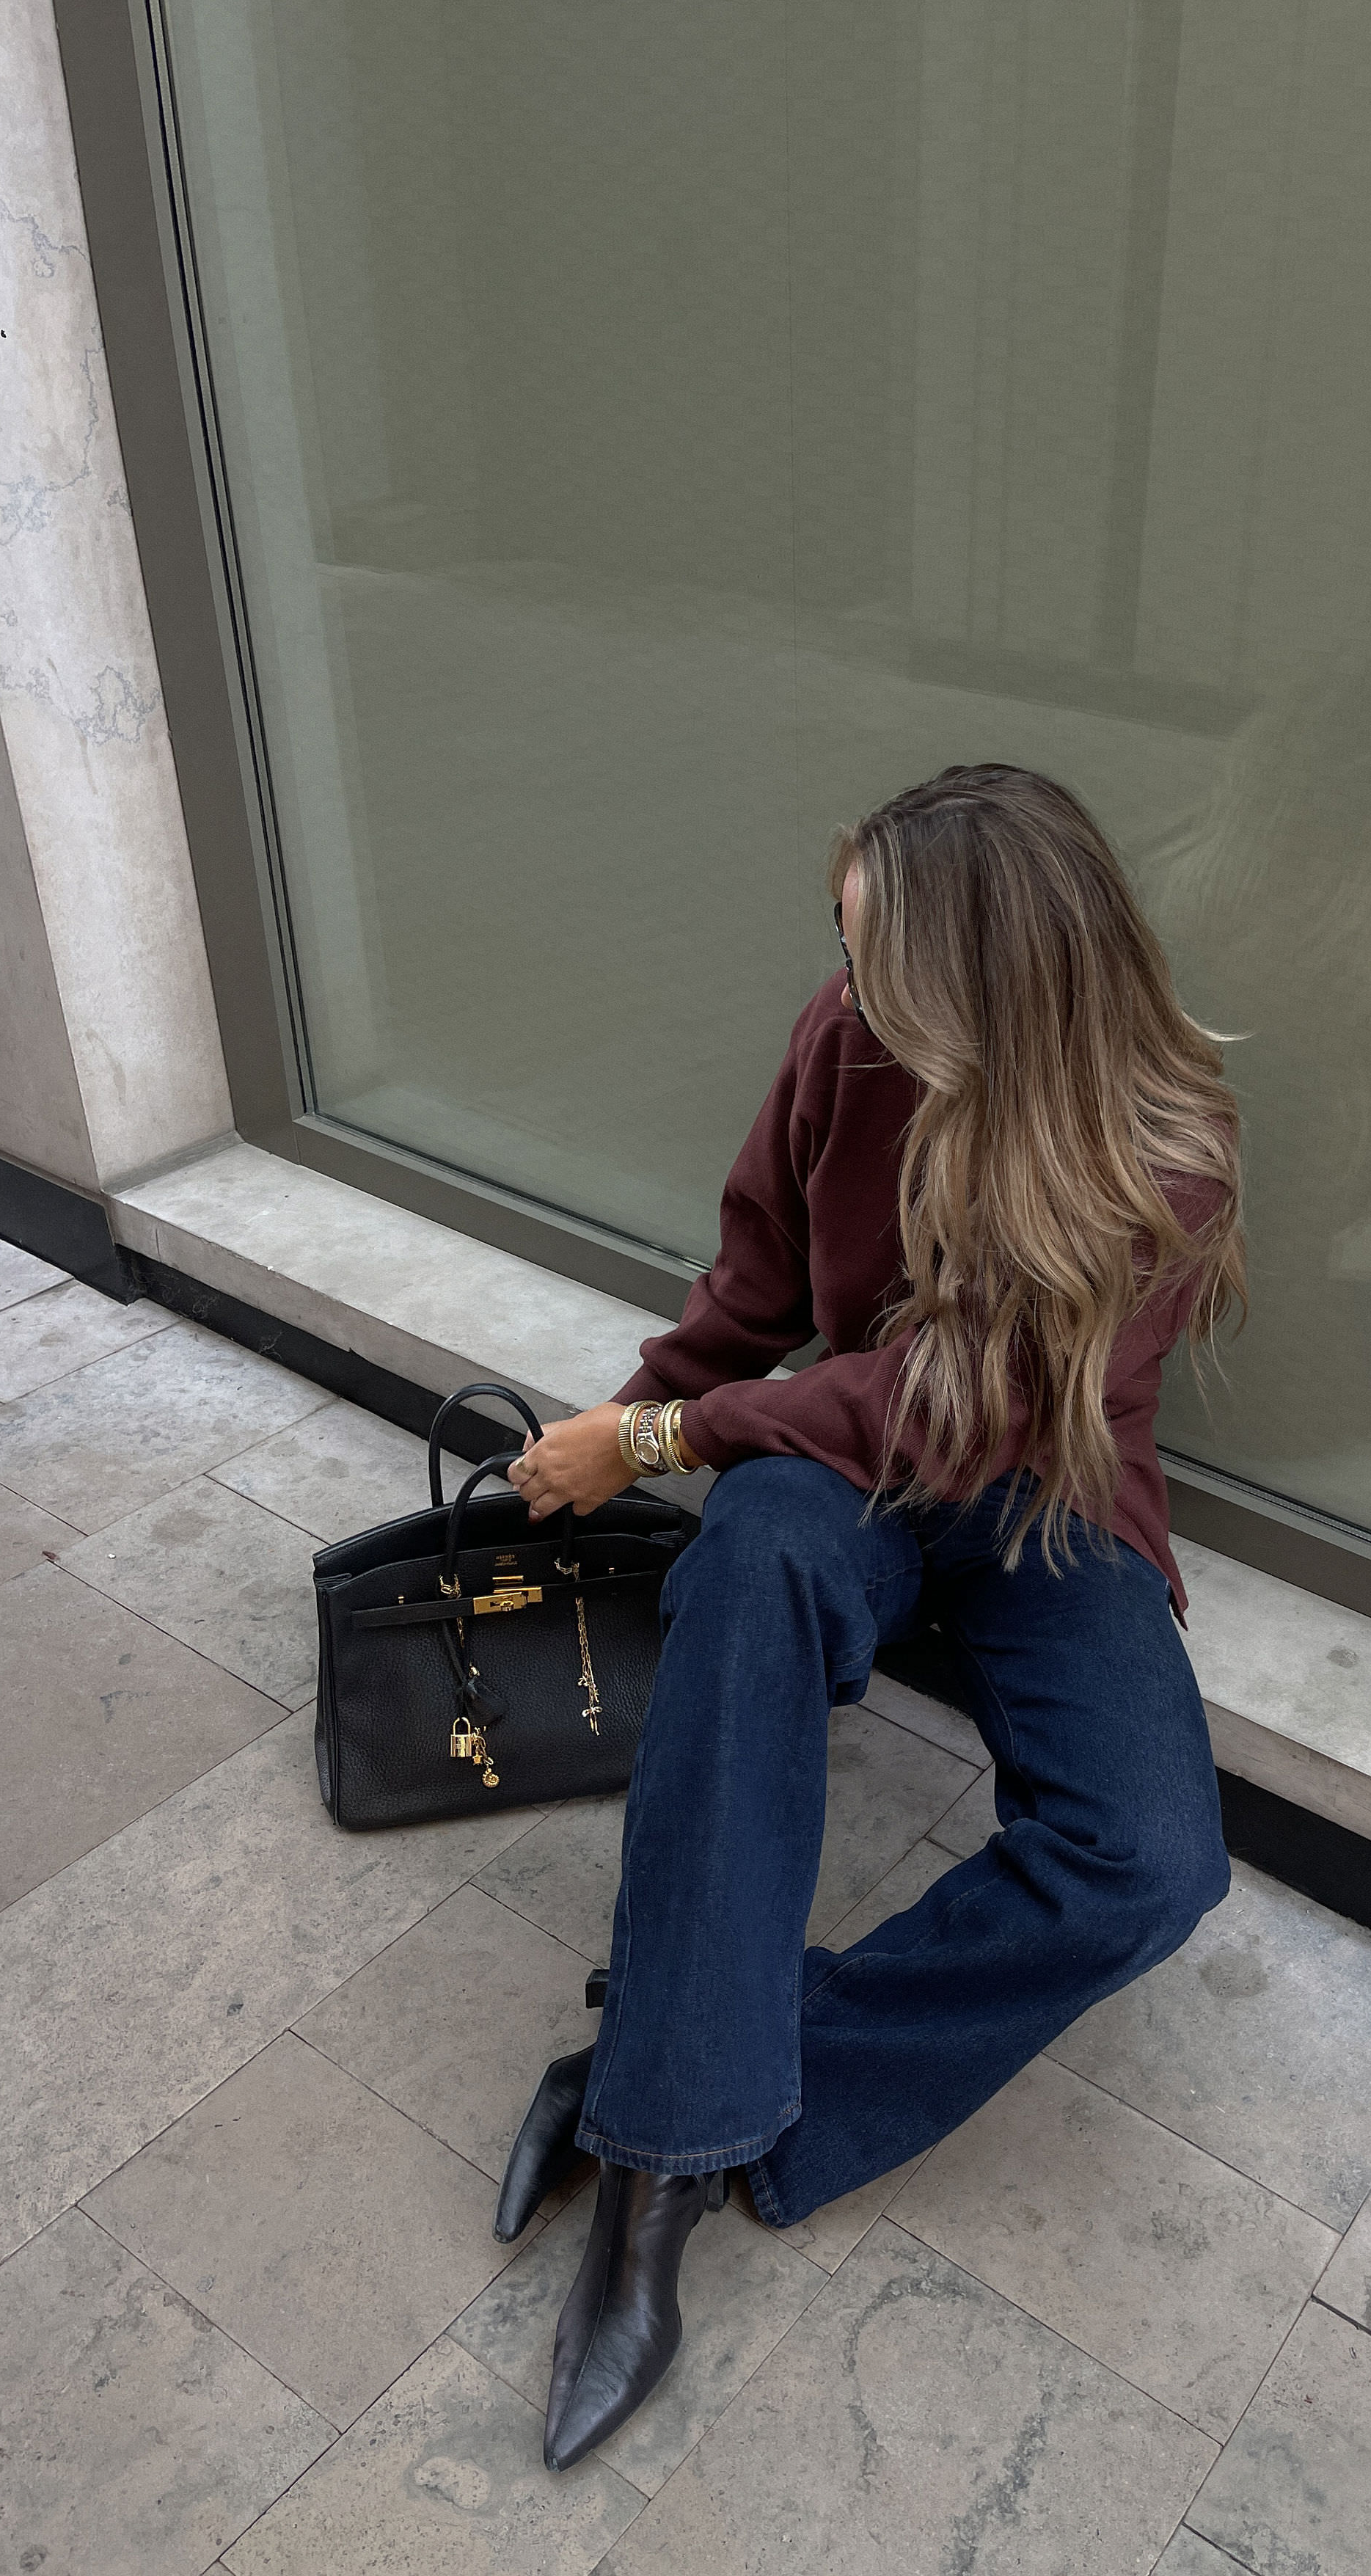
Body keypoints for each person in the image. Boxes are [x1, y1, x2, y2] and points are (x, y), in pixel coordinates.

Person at [495, 764, 1246, 2470]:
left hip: (1044, 1492)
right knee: (758, 1551)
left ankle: (669, 2070)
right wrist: (616, 1438)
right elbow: (760, 1277)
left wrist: (671, 1439)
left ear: (994, 986)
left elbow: (962, 1408)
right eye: (848, 950)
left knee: (1149, 1857)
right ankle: (662, 2180)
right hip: (830, 1481)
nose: (849, 991)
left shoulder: (1170, 1142)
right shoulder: (850, 1041)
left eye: (882, 964)